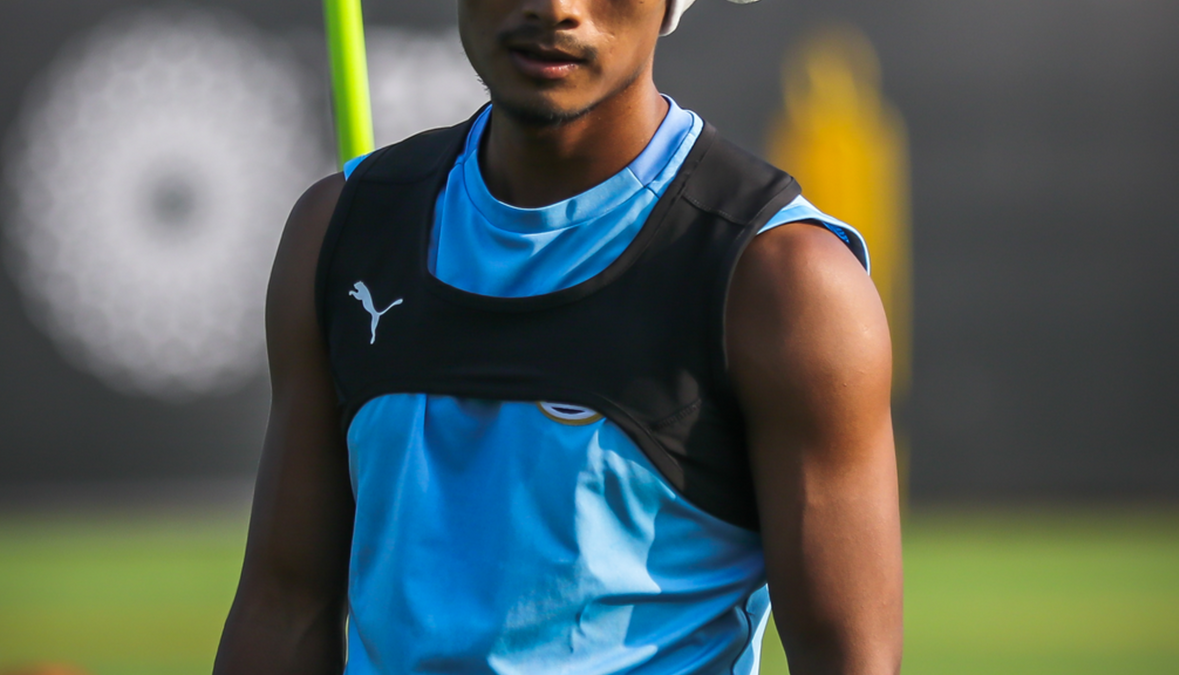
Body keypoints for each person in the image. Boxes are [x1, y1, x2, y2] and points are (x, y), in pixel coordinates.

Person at [213, 0, 902, 673]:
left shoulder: (784, 281)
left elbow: (849, 660)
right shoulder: (340, 230)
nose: (555, 7)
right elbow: (283, 611)